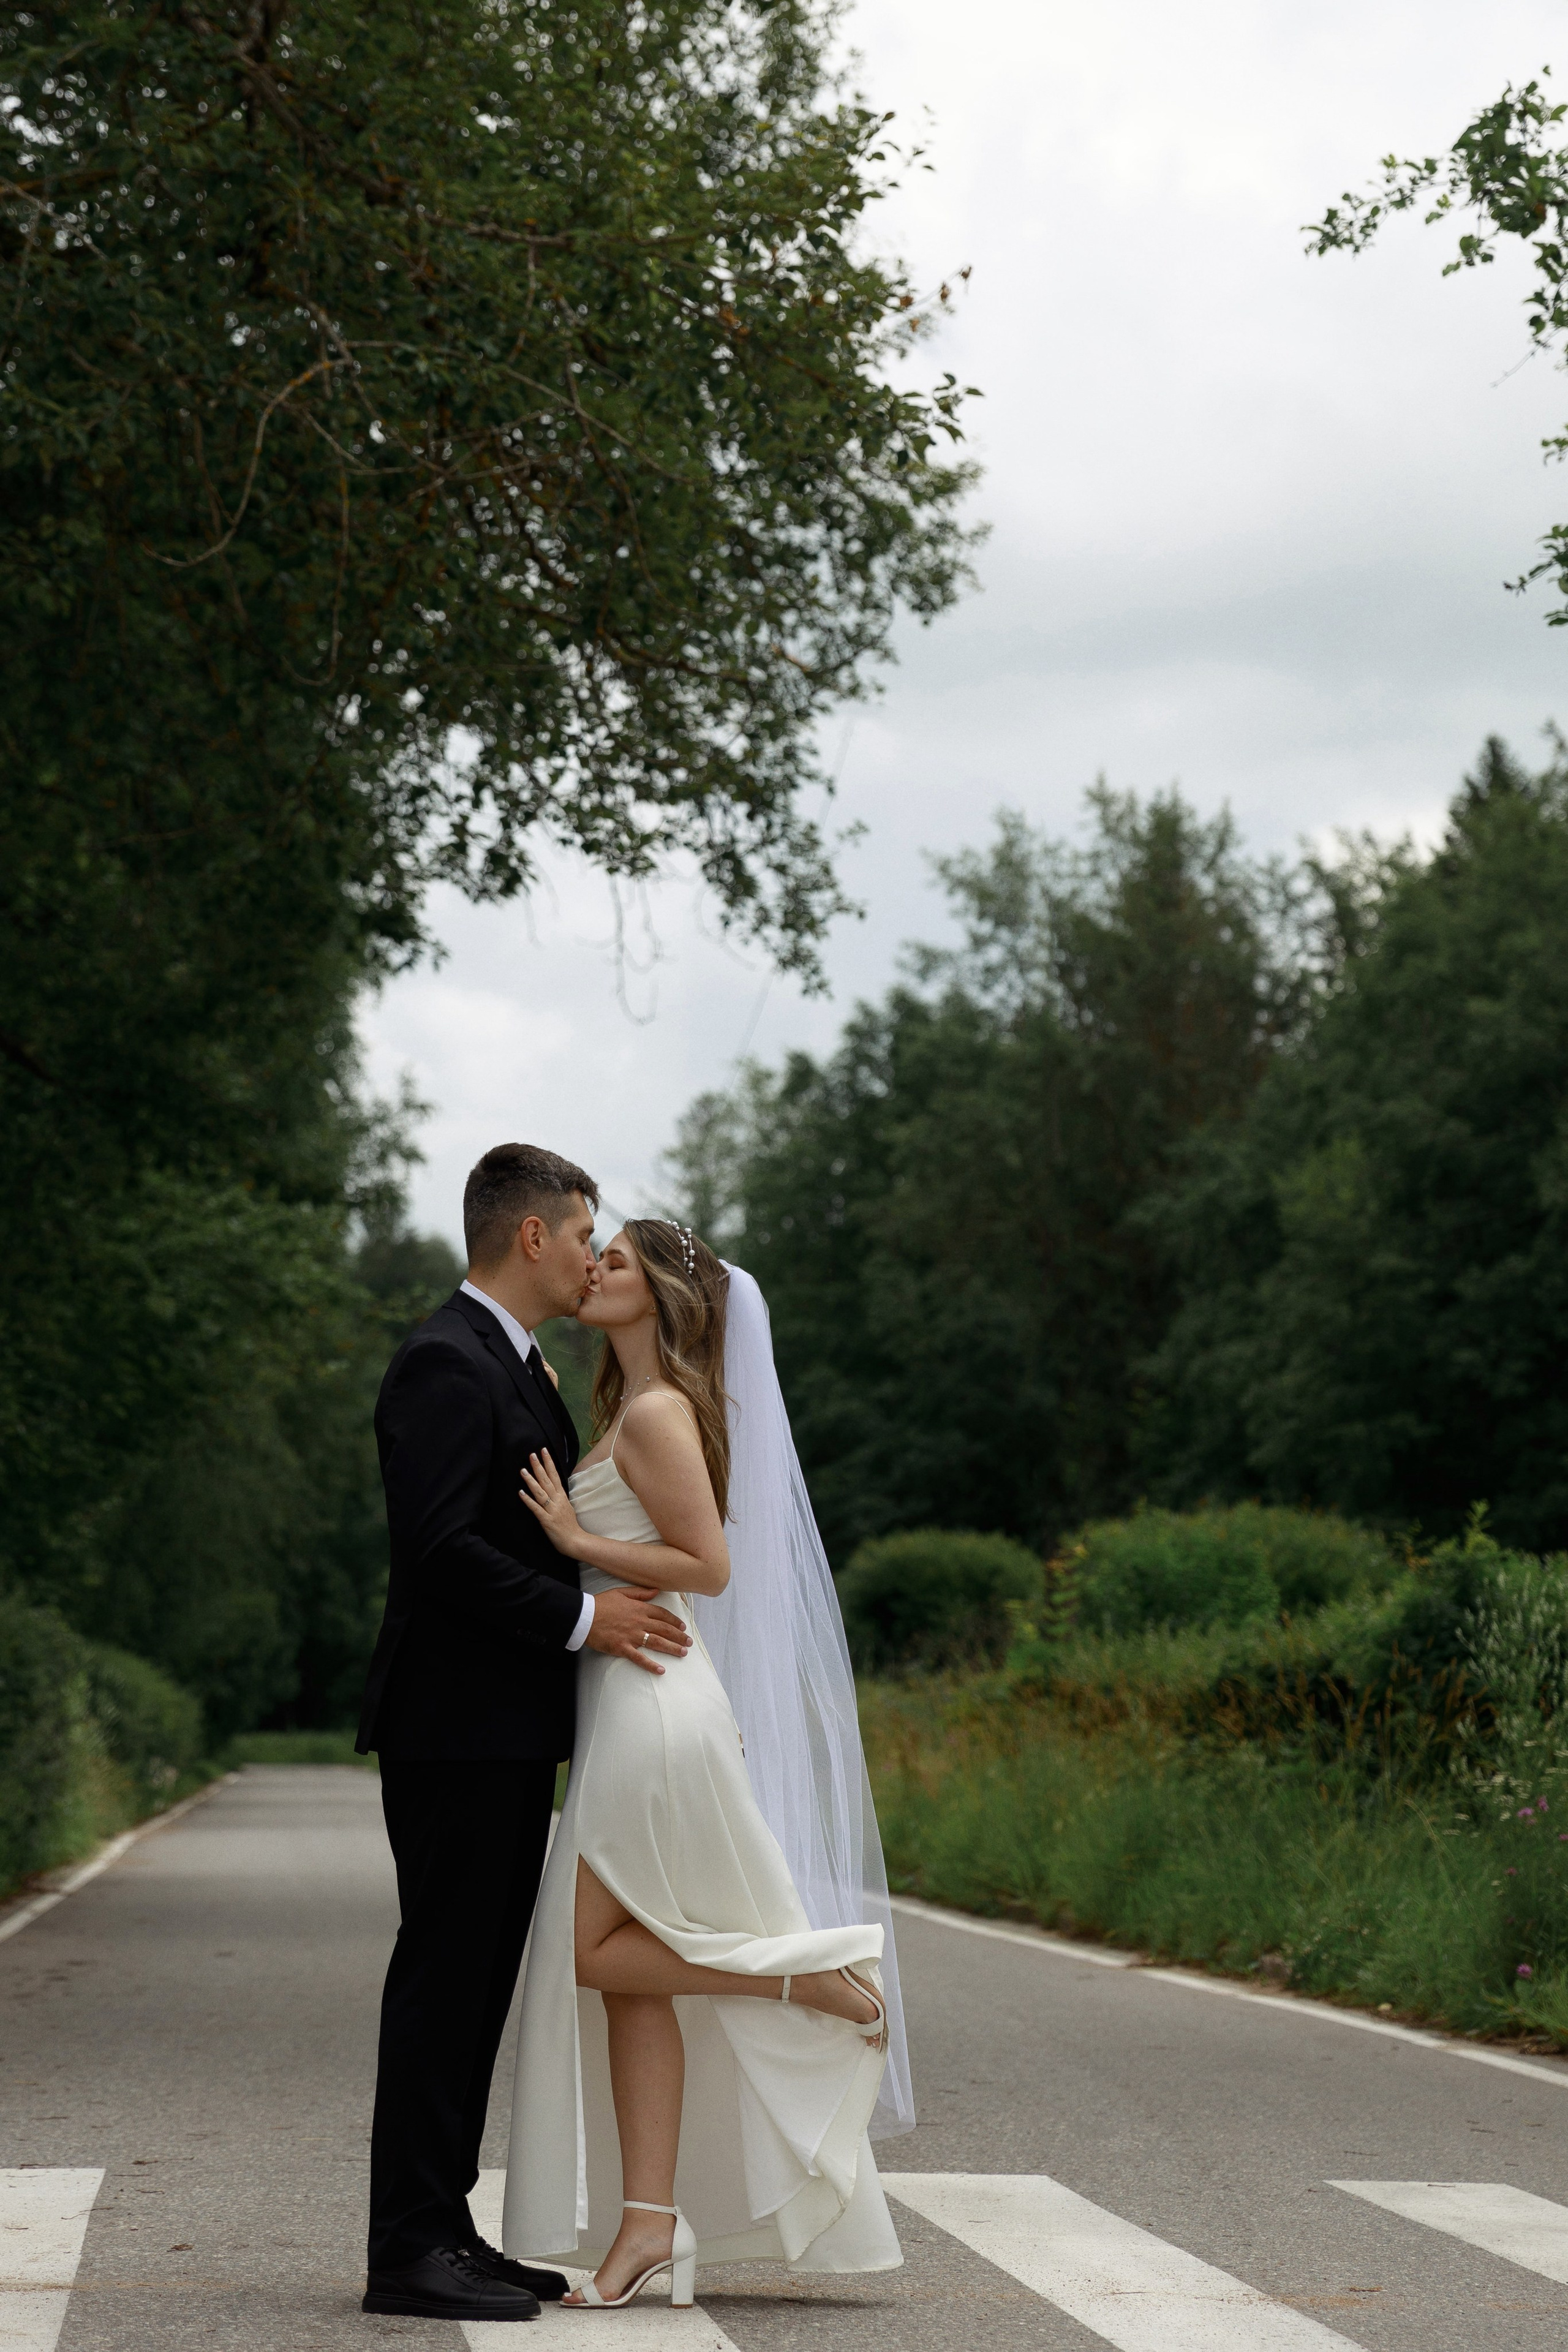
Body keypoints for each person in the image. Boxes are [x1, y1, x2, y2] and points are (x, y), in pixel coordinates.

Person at [501, 1219, 914, 2308]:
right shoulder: (625, 1407)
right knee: (635, 1974)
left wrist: (578, 1545)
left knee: (593, 1955)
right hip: (627, 1703)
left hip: (652, 1706)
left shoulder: (657, 1411)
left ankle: (813, 1980)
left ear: (667, 1296)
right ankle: (647, 2225)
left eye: (618, 1261)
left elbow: (708, 1568)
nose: (596, 1269)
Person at [357, 1145, 695, 2326]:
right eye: (585, 1229)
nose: (598, 1250)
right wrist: (588, 1619)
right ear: (533, 1236)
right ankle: (404, 2248)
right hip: (455, 1727)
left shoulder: (519, 1365)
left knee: (477, 1982)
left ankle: (443, 2229)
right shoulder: (445, 1363)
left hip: (504, 1728)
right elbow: (443, 1552)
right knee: (444, 1979)